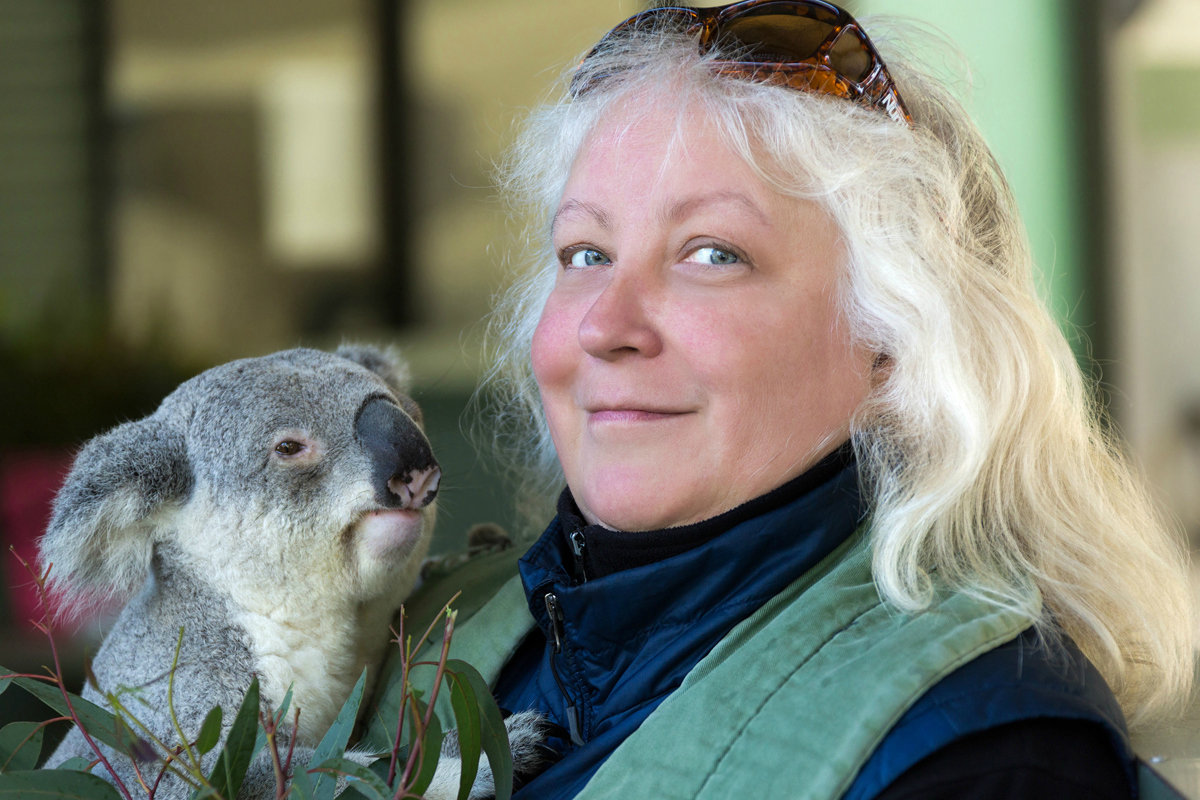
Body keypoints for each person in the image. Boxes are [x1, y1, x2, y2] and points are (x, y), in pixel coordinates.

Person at [370, 2, 1197, 797]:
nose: (605, 327)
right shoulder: (398, 634)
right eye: (585, 253)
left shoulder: (983, 749)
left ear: (896, 347)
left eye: (712, 253)